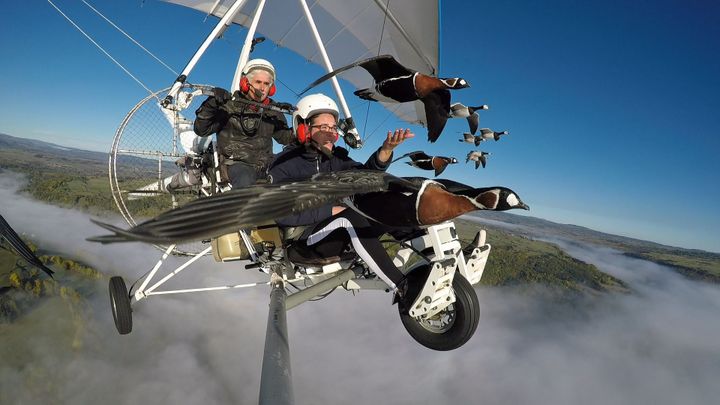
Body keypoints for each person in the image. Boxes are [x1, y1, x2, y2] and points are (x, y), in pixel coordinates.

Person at [267, 93, 416, 306]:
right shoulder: (284, 164)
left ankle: (431, 251)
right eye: (323, 127)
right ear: (303, 128)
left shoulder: (336, 159)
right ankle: (403, 288)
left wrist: (385, 152)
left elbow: (364, 178)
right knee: (350, 217)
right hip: (301, 241)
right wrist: (330, 211)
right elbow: (279, 212)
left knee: (388, 201)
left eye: (333, 128)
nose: (331, 134)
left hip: (334, 231)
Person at [194, 58, 294, 188]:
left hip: (266, 164)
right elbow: (201, 130)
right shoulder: (228, 105)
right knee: (245, 180)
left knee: (294, 173)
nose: (262, 88)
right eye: (258, 82)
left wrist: (302, 127)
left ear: (272, 88)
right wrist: (211, 105)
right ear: (245, 83)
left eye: (266, 84)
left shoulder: (273, 111)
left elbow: (285, 138)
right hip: (236, 164)